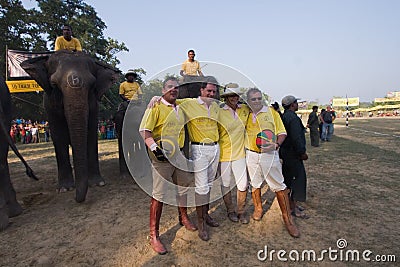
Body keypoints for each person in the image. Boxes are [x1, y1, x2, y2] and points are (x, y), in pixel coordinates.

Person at [139, 77, 197, 255]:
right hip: (161, 155)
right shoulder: (155, 106)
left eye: (176, 88)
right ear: (163, 89)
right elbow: (144, 131)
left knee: (183, 187)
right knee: (159, 194)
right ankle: (153, 234)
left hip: (178, 154)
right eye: (170, 87)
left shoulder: (181, 105)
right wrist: (155, 149)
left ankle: (184, 217)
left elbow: (199, 100)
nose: (174, 90)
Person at [245, 88, 300, 237]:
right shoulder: (245, 114)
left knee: (278, 185)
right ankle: (258, 209)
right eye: (253, 99)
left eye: (258, 98)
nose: (256, 101)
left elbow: (282, 133)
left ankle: (288, 220)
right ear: (248, 101)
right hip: (251, 154)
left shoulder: (272, 113)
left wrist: (276, 144)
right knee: (255, 184)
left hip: (269, 154)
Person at [179, 77, 220, 241]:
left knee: (208, 186)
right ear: (201, 90)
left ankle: (206, 215)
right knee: (201, 187)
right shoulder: (189, 103)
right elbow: (169, 99)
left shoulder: (216, 106)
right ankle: (201, 223)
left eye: (213, 92)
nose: (211, 94)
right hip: (199, 149)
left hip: (215, 148)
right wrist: (155, 98)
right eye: (208, 91)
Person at [218, 83, 250, 224]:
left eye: (236, 95)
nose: (234, 98)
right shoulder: (218, 111)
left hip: (240, 155)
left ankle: (241, 211)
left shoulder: (244, 109)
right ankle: (230, 210)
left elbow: (259, 106)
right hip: (223, 155)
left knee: (242, 184)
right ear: (226, 97)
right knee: (225, 184)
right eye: (231, 95)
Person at [280, 95, 309, 220]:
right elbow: (297, 138)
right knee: (297, 180)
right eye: (296, 103)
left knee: (287, 180)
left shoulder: (283, 116)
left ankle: (290, 205)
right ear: (292, 104)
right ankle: (293, 207)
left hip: (285, 153)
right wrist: (302, 152)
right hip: (294, 154)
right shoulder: (293, 118)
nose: (297, 104)